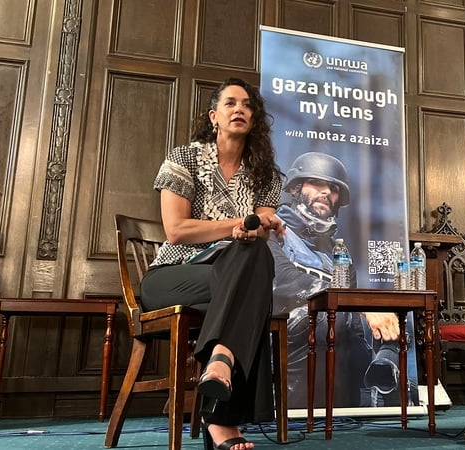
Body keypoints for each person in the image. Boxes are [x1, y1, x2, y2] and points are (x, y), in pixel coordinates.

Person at [139, 78, 284, 450]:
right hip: (172, 276)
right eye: (230, 103)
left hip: (230, 275)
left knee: (256, 255)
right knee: (253, 294)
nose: (240, 109)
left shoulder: (267, 174)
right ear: (213, 116)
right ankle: (222, 414)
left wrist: (261, 226)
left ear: (255, 118)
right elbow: (176, 230)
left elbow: (259, 230)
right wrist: (238, 224)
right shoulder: (184, 158)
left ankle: (220, 364)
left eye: (247, 105)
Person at [267, 151, 407, 409]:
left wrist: (377, 322)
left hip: (334, 336)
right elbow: (284, 280)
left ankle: (380, 386)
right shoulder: (272, 232)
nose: (326, 192)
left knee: (393, 319)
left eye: (333, 189)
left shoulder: (338, 253)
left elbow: (353, 318)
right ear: (296, 189)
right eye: (316, 183)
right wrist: (361, 305)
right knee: (331, 317)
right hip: (283, 336)